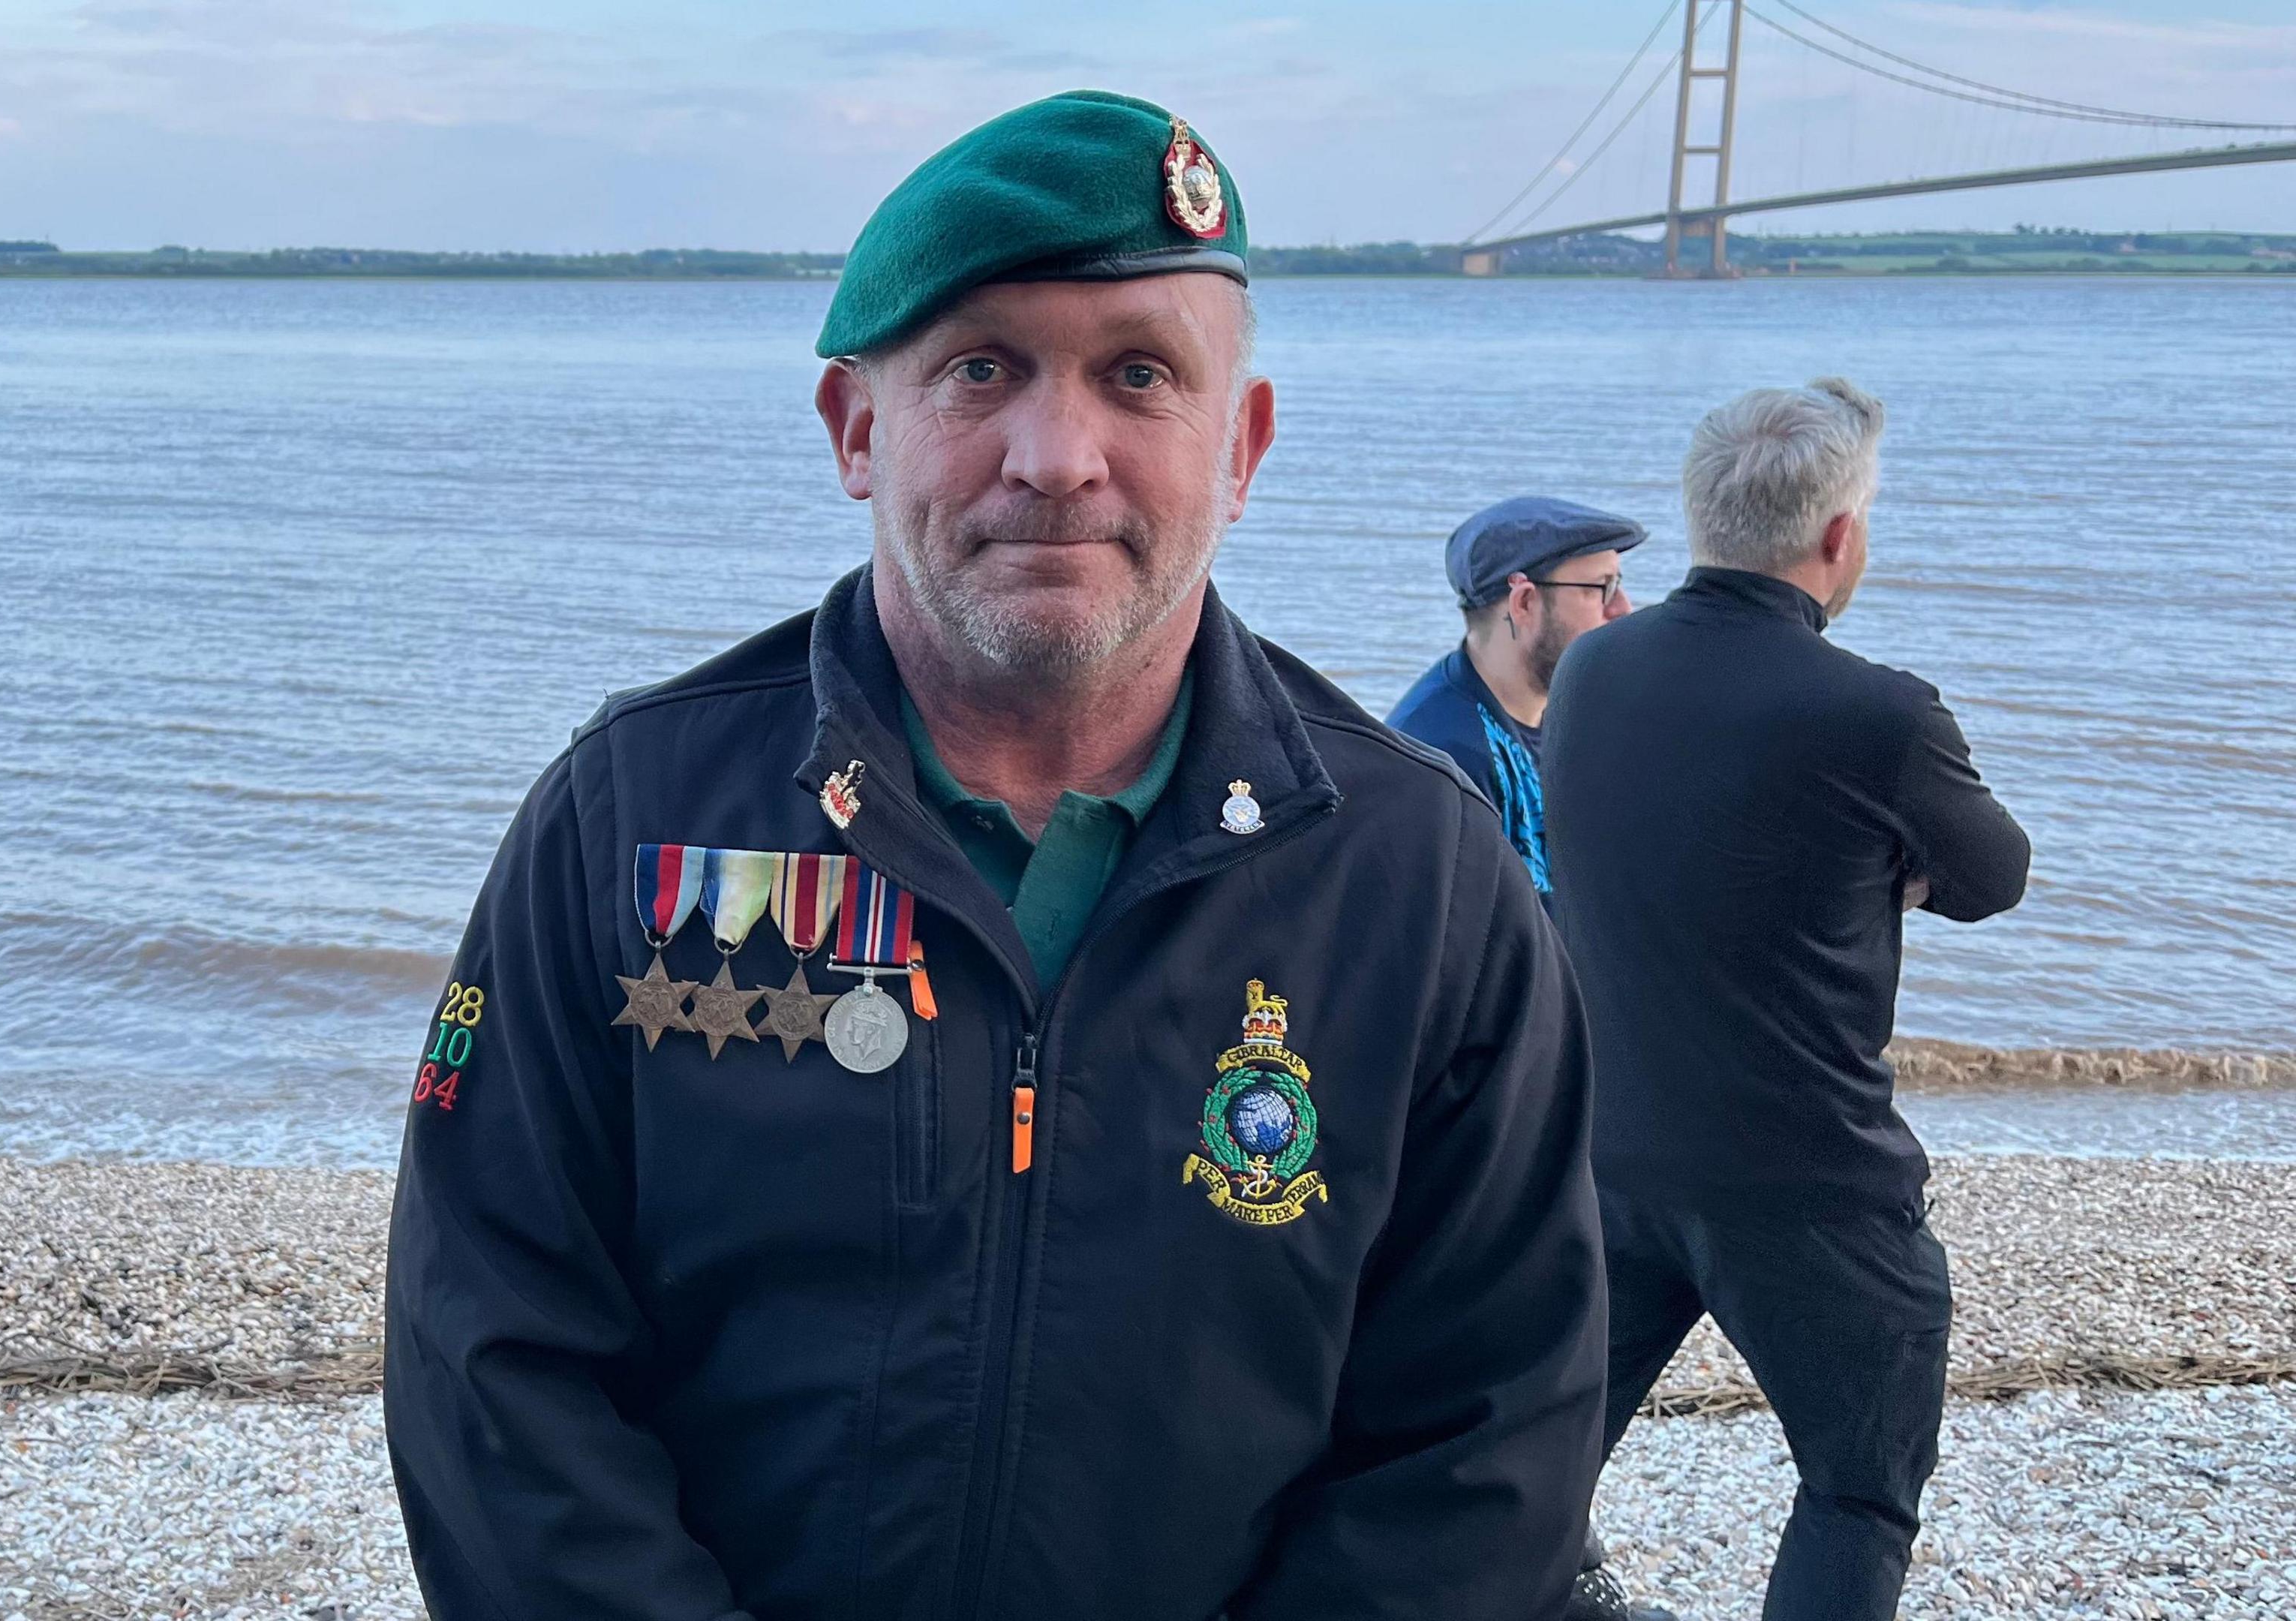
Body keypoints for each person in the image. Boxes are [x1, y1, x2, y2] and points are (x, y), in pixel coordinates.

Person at [385, 90, 1607, 1621]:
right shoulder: (628, 820)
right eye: (981, 369)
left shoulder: (1420, 876)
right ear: (855, 427)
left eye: (1140, 375)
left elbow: (1488, 1434)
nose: (1057, 455)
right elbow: (493, 1357)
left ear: (1244, 444)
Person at [1544, 378, 2033, 1621]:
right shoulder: (1879, 714)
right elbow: (1994, 876)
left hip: (1616, 1163)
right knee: (1856, 1496)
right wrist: (1868, 866)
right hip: (1809, 1185)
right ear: (1839, 537)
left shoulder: (1592, 671)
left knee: (1527, 1479)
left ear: (1705, 519)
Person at [1386, 497, 1640, 903]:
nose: (1624, 609)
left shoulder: (1563, 716)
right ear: (1524, 602)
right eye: (1602, 588)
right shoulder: (1444, 758)